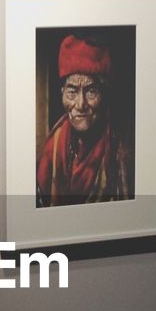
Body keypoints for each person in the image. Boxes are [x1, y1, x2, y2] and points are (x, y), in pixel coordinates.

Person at [36, 33, 132, 205]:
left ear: (104, 95)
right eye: (72, 92)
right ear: (62, 94)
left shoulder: (120, 149)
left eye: (91, 91)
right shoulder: (54, 147)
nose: (80, 104)